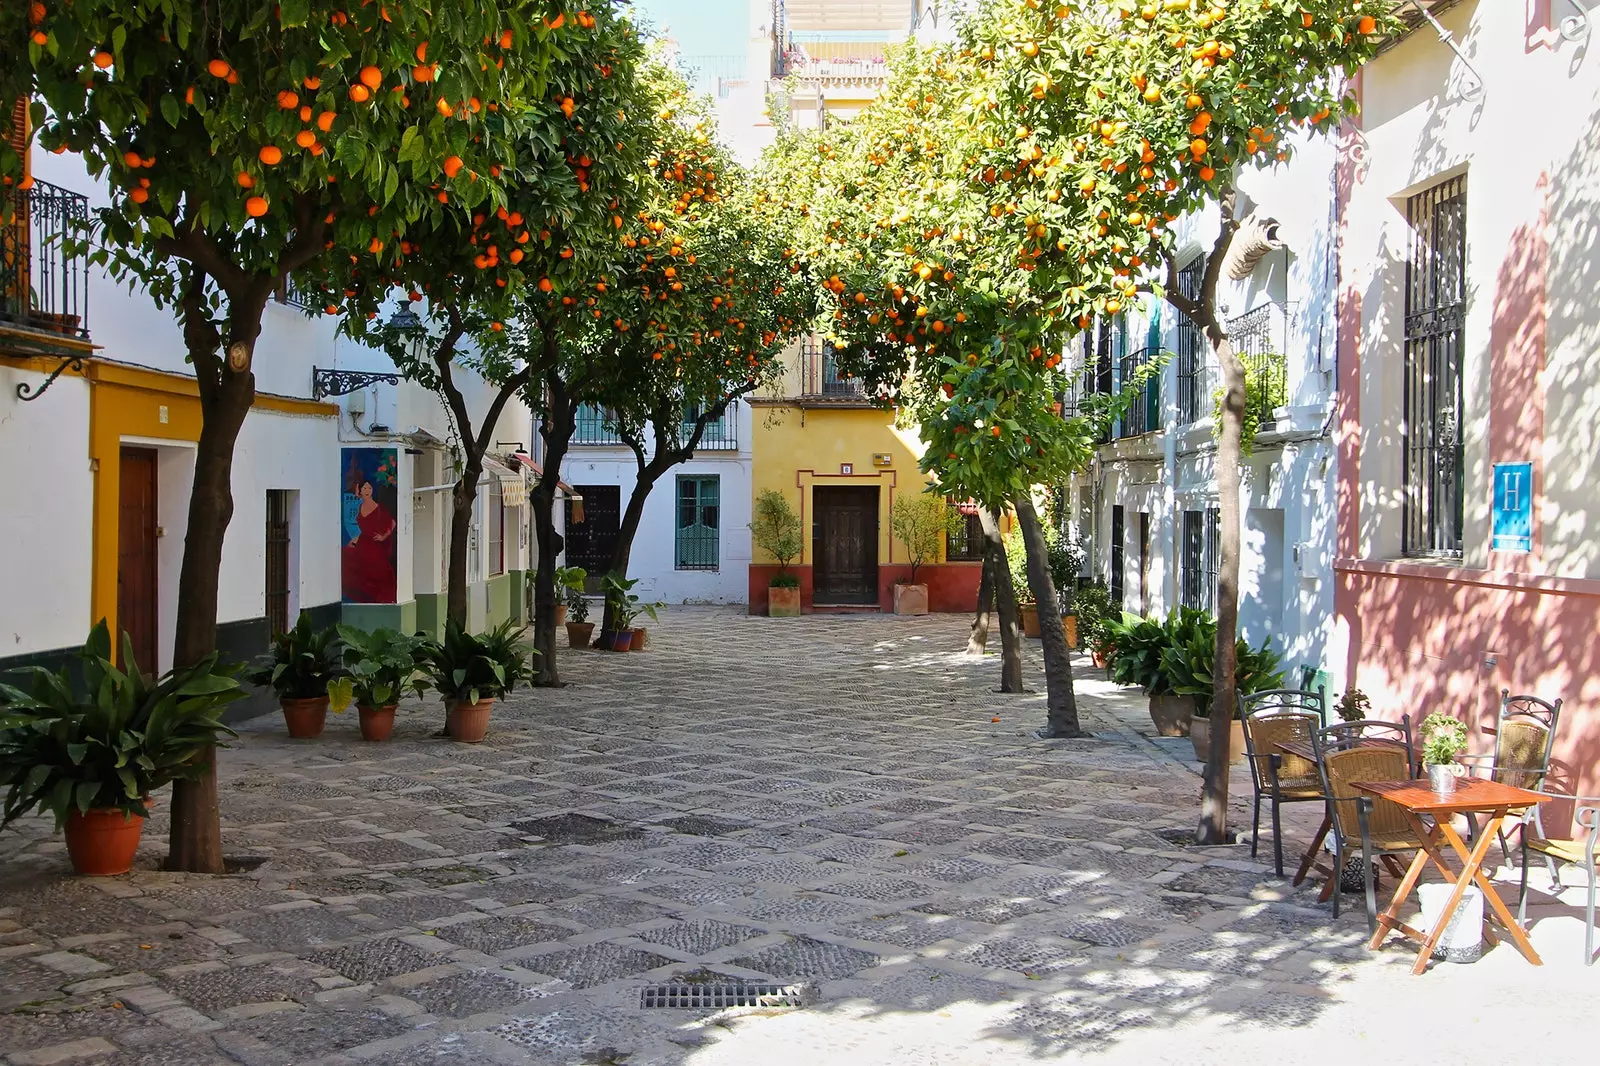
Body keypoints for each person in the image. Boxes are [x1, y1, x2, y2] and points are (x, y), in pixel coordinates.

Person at [342, 479, 397, 602]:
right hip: (363, 544)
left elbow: (392, 523)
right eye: (364, 488)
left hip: (375, 547)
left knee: (377, 572)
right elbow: (363, 530)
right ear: (360, 490)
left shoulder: (378, 508)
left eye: (369, 488)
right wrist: (354, 540)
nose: (367, 491)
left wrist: (383, 536)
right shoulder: (360, 506)